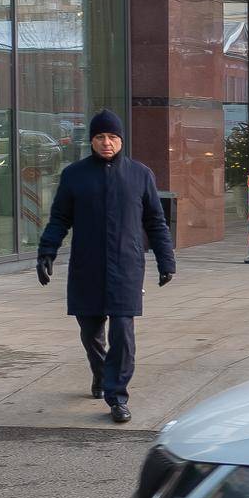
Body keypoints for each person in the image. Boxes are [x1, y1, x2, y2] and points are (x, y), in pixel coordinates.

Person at [36, 109, 176, 424]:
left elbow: (155, 222)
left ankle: (117, 397)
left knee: (123, 334)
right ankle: (100, 372)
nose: (107, 142)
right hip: (87, 266)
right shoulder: (75, 175)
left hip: (127, 266)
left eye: (112, 136)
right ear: (91, 141)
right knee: (90, 331)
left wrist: (166, 260)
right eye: (100, 137)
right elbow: (60, 217)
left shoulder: (140, 174)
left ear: (121, 139)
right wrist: (46, 252)